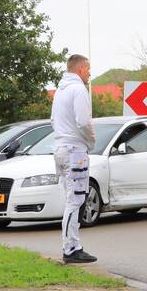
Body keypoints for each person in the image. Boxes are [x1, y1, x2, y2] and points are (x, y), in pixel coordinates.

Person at [51, 54, 97, 264]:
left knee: (72, 198)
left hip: (61, 148)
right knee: (76, 199)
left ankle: (72, 245)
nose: (89, 73)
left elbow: (53, 120)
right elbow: (83, 122)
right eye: (88, 69)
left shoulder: (60, 92)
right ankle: (71, 248)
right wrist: (91, 140)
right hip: (74, 150)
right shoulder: (79, 90)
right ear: (80, 69)